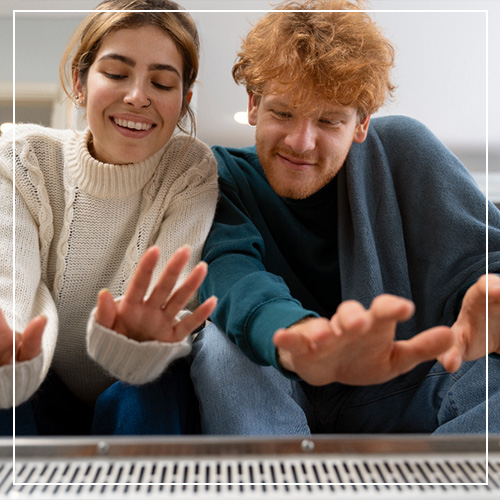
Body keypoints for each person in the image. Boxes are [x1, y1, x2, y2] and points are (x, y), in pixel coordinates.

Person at [191, 0, 500, 435]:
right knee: (221, 348)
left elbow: (487, 262)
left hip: (404, 386)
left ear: (361, 124)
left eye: (329, 121)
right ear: (254, 104)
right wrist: (300, 340)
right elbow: (229, 271)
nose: (301, 142)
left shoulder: (405, 152)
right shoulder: (217, 177)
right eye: (283, 113)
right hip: (281, 379)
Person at [0, 0, 218, 435]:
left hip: (140, 386)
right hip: (40, 384)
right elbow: (13, 289)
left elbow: (162, 309)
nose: (138, 96)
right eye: (116, 74)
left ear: (183, 101)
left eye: (161, 82)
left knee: (156, 390)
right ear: (80, 84)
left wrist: (141, 343)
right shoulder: (20, 156)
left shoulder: (190, 169)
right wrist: (10, 357)